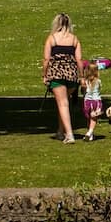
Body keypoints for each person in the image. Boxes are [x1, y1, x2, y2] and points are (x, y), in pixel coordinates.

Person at [42, 12, 85, 142]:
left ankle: (69, 134)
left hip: (56, 74)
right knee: (64, 103)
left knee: (62, 104)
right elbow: (79, 60)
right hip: (71, 75)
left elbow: (46, 59)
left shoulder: (52, 38)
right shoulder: (74, 39)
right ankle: (60, 131)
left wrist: (44, 75)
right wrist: (81, 76)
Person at [79, 70, 104, 141]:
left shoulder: (85, 82)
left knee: (89, 118)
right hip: (96, 102)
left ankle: (91, 135)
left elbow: (82, 92)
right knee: (94, 119)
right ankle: (89, 132)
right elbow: (99, 89)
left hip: (87, 102)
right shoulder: (98, 81)